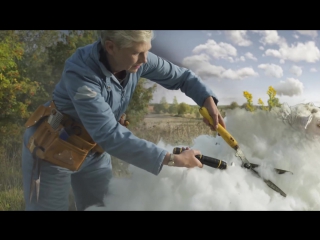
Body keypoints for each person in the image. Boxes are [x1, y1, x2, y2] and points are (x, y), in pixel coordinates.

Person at [21, 30, 226, 211]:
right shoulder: (80, 71)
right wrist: (173, 159)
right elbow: (109, 133)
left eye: (147, 50)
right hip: (52, 147)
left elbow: (182, 78)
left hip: (95, 150)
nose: (146, 60)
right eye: (138, 52)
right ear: (111, 47)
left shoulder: (138, 59)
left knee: (102, 207)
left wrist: (207, 100)